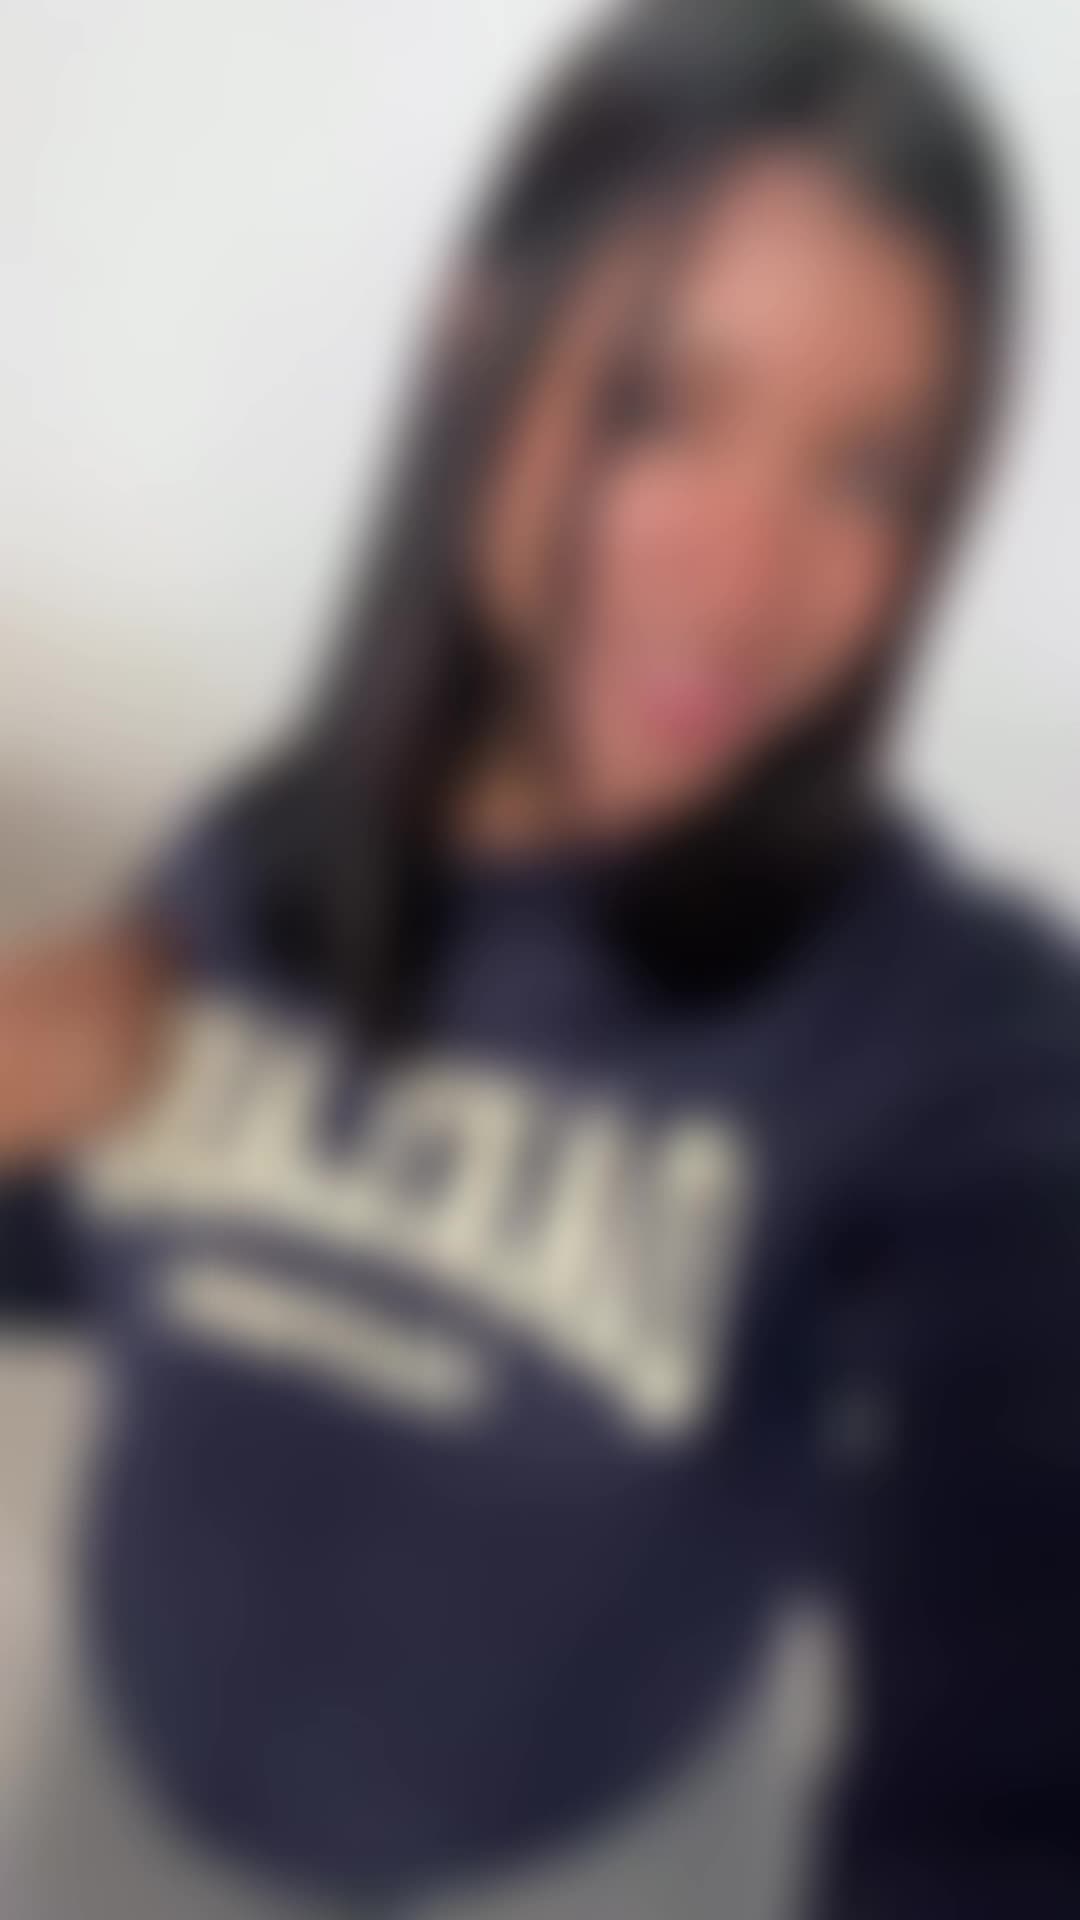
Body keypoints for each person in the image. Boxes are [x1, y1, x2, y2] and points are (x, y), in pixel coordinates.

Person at [3, 2, 1080, 1915]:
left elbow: (1013, 1646)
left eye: (869, 476)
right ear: (477, 347)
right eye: (657, 407)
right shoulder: (256, 856)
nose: (742, 582)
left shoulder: (946, 1049)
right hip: (113, 1815)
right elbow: (134, 1281)